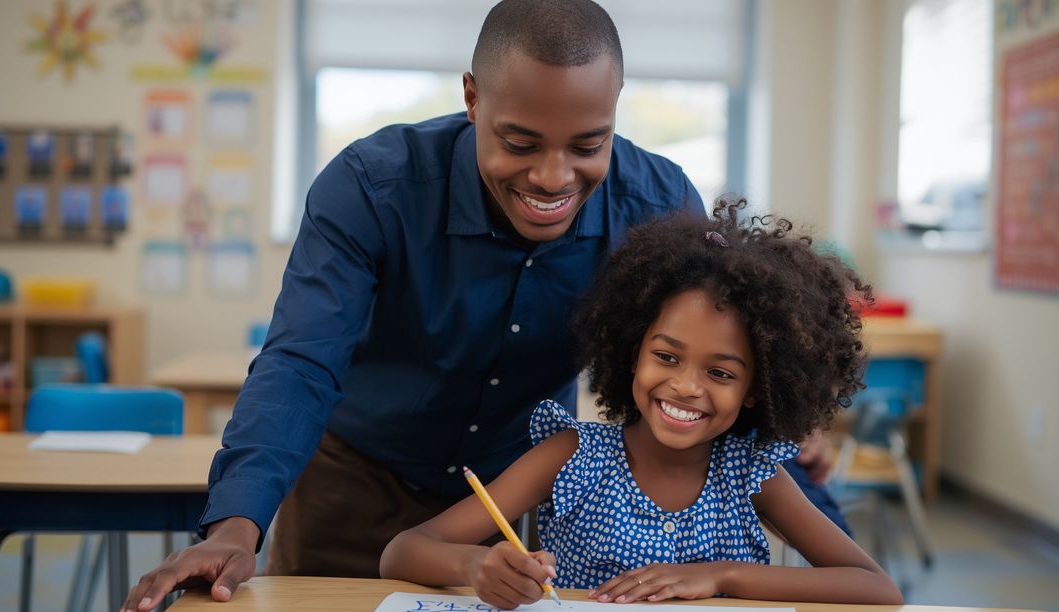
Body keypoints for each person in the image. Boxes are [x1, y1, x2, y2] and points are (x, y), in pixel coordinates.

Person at [122, 2, 842, 610]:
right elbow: (301, 362)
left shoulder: (656, 205)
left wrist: (786, 421)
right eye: (520, 142)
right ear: (472, 99)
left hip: (506, 496)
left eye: (587, 145)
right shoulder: (372, 188)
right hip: (352, 479)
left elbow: (727, 334)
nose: (553, 177)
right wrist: (235, 525)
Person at [380, 199, 902, 608]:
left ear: (756, 390)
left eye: (720, 373)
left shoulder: (751, 475)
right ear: (632, 352)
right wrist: (476, 566)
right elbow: (403, 552)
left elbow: (877, 589)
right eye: (666, 357)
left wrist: (720, 575)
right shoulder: (572, 455)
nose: (686, 386)